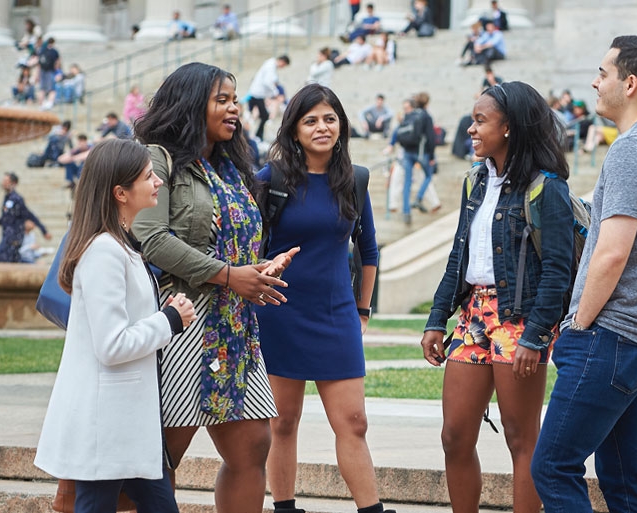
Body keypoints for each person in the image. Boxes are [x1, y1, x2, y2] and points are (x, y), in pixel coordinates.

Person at [131, 62, 299, 513]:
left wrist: (257, 269)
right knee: (159, 455)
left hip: (234, 325)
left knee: (251, 446)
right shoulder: (155, 158)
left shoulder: (231, 167)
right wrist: (229, 275)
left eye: (235, 99)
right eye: (221, 99)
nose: (234, 108)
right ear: (190, 104)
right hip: (183, 322)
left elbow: (228, 243)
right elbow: (152, 238)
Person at [531, 35, 637, 513]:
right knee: (622, 480)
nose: (595, 82)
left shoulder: (631, 150)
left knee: (553, 467)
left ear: (631, 83)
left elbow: (611, 254)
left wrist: (578, 324)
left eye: (603, 73)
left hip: (610, 337)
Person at [420, 81, 574, 513]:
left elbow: (558, 271)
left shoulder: (547, 189)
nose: (471, 129)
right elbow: (459, 256)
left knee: (521, 437)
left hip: (521, 320)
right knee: (454, 435)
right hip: (472, 317)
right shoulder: (476, 182)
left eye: (480, 121)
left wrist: (537, 335)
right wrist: (437, 319)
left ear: (509, 128)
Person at [34, 138, 198, 513]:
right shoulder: (104, 251)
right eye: (148, 176)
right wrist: (169, 320)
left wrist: (163, 314)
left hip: (127, 424)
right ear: (120, 192)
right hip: (106, 425)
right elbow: (111, 345)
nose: (158, 181)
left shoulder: (120, 245)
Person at [254, 82, 394, 513]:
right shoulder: (269, 179)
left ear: (341, 125)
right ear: (294, 129)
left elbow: (367, 251)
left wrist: (362, 309)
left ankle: (370, 510)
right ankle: (284, 507)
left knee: (354, 422)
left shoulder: (355, 180)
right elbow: (247, 246)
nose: (321, 127)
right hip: (279, 314)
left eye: (329, 118)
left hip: (336, 316)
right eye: (310, 120)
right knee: (283, 423)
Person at [0, 172, 52, 263]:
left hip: (14, 238)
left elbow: (29, 215)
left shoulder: (17, 199)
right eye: (3, 181)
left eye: (6, 181)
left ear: (13, 183)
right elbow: (7, 219)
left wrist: (44, 231)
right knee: (5, 263)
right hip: (7, 237)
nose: (3, 183)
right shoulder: (7, 198)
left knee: (2, 262)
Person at [399, 92, 437, 225]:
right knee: (428, 176)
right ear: (426, 103)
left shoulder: (410, 115)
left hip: (407, 152)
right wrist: (432, 156)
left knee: (407, 183)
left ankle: (406, 212)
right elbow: (431, 138)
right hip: (422, 153)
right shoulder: (426, 116)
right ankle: (419, 198)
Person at [246, 55, 290, 141]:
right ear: (282, 61)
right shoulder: (271, 66)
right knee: (262, 115)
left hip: (258, 93)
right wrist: (275, 92)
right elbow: (267, 82)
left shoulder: (270, 64)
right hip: (257, 94)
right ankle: (256, 136)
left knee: (262, 116)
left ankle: (257, 135)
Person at [37, 37, 60, 109]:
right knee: (52, 89)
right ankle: (50, 104)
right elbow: (57, 63)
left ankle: (41, 104)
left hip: (43, 71)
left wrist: (37, 74)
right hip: (50, 71)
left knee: (42, 89)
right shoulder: (54, 51)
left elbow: (39, 63)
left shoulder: (42, 50)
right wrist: (58, 72)